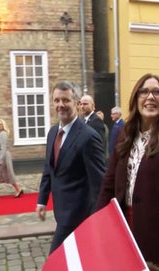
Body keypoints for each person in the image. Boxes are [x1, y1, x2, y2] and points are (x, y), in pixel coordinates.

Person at [96, 73, 159, 264]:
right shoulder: (124, 135)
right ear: (136, 99)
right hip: (122, 230)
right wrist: (97, 225)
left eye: (157, 92)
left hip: (155, 237)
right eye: (144, 92)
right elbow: (109, 183)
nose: (150, 97)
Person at [37, 81, 106, 253]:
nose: (61, 105)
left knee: (55, 263)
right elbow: (49, 168)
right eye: (57, 100)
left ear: (76, 103)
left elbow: (99, 183)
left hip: (80, 217)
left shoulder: (89, 137)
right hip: (60, 212)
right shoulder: (53, 133)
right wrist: (42, 200)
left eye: (66, 100)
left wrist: (99, 220)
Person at [0, 119, 23, 198]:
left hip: (3, 156)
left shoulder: (3, 134)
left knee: (8, 173)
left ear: (3, 125)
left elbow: (3, 147)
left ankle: (18, 189)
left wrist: (0, 159)